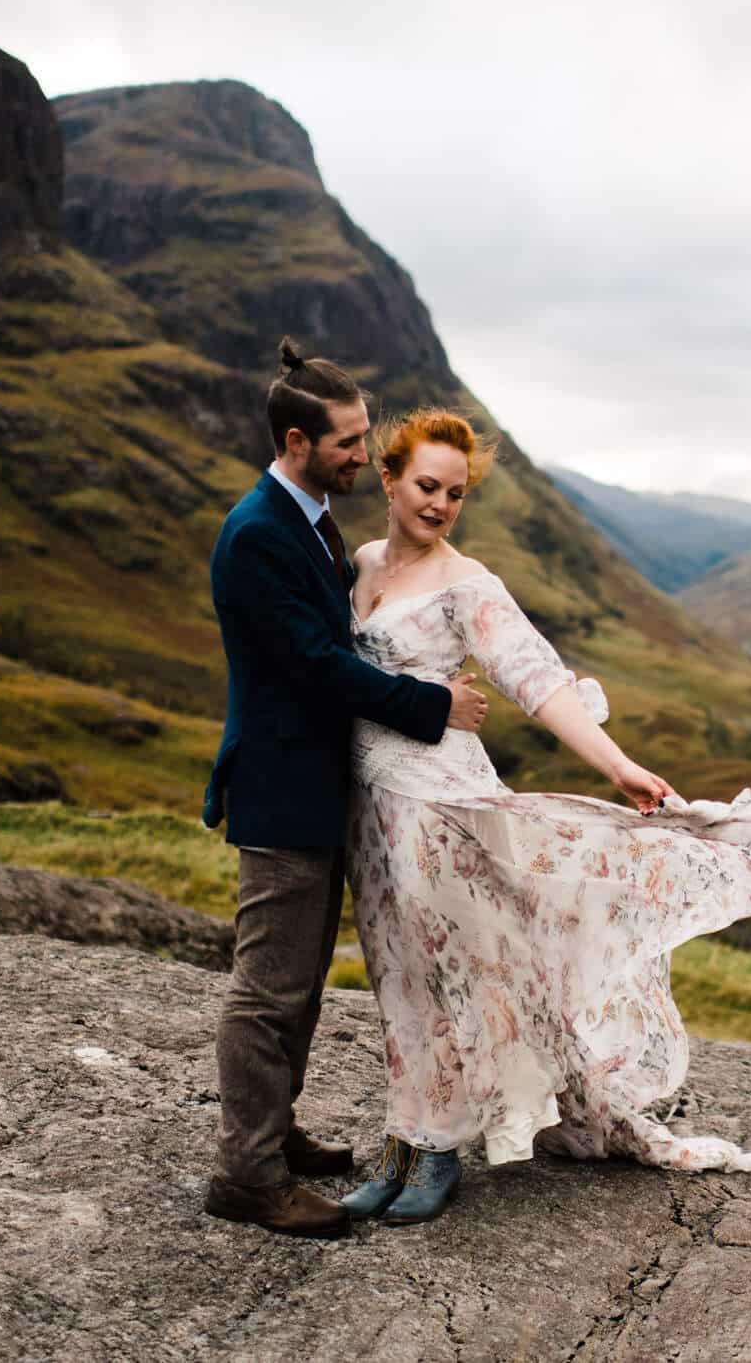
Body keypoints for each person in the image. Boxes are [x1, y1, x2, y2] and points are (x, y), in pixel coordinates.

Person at [337, 408, 751, 1225]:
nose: (440, 505)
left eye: (456, 494)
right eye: (427, 486)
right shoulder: (358, 564)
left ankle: (438, 1150)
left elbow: (538, 680)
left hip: (439, 805)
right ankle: (403, 1135)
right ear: (389, 481)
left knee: (451, 970)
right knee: (391, 964)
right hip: (371, 807)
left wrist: (619, 765)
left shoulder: (468, 583)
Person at [199, 341, 490, 1239]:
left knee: (303, 985)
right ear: (298, 439)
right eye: (351, 441)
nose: (366, 454)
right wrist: (433, 704)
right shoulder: (258, 535)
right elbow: (320, 667)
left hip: (320, 791)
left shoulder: (314, 517)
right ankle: (246, 1174)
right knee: (267, 990)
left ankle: (275, 1135)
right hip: (282, 791)